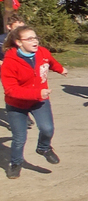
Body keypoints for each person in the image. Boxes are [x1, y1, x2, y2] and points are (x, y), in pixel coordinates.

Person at [3, 26, 67, 179]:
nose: (35, 41)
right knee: (19, 138)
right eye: (30, 39)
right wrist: (37, 93)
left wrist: (60, 69)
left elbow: (51, 62)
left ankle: (43, 148)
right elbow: (10, 90)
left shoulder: (42, 52)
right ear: (19, 42)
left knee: (47, 129)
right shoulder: (10, 62)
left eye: (36, 38)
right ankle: (16, 163)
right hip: (17, 104)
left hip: (39, 101)